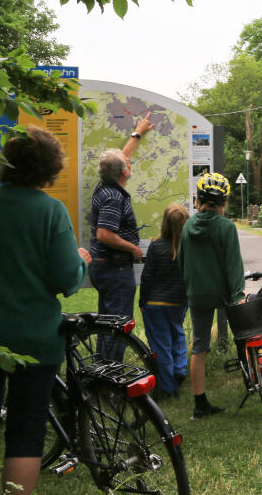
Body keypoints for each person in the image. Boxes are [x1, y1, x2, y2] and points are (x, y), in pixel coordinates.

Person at [0, 126, 89, 494]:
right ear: (50, 169)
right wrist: (80, 261)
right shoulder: (51, 211)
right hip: (33, 337)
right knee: (26, 429)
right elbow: (65, 279)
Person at [88, 112, 154, 361]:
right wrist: (133, 250)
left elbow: (121, 158)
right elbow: (104, 234)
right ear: (124, 173)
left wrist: (137, 132)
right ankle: (109, 373)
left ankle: (100, 367)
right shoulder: (114, 197)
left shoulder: (105, 185)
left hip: (105, 268)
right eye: (128, 164)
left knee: (107, 322)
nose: (130, 163)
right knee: (119, 323)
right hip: (115, 270)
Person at [179, 172, 244, 419]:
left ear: (198, 200)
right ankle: (252, 379)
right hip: (225, 294)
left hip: (197, 294)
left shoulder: (187, 226)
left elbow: (182, 263)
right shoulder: (226, 227)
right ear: (223, 204)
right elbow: (233, 266)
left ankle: (200, 404)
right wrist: (238, 295)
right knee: (244, 335)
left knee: (199, 347)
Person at [139, 203, 190, 400]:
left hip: (155, 304)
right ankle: (180, 370)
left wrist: (142, 302)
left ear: (165, 224)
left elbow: (147, 277)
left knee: (161, 346)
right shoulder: (187, 248)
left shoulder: (156, 246)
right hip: (178, 302)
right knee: (177, 335)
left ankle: (168, 388)